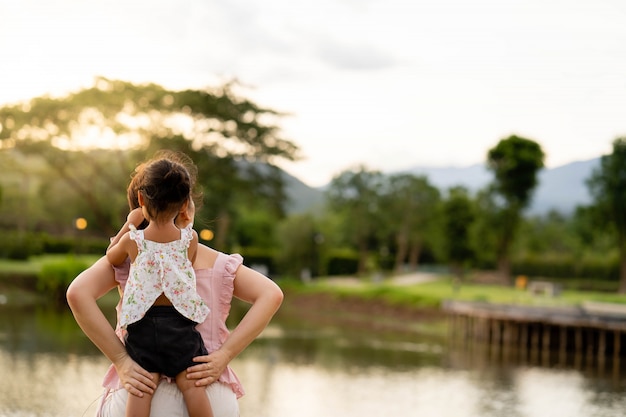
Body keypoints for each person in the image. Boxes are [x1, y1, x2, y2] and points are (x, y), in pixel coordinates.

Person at [66, 152, 283, 417]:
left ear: (140, 202)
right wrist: (224, 355)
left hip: (140, 382)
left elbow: (77, 293)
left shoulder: (131, 250)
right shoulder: (208, 255)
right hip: (204, 382)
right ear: (186, 204)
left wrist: (121, 360)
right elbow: (271, 294)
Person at [106, 157, 212, 417]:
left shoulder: (133, 240)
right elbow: (188, 263)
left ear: (141, 200)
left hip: (143, 325)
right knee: (191, 385)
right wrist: (185, 218)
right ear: (185, 203)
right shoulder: (190, 239)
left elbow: (111, 257)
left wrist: (129, 222)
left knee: (142, 387)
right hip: (179, 324)